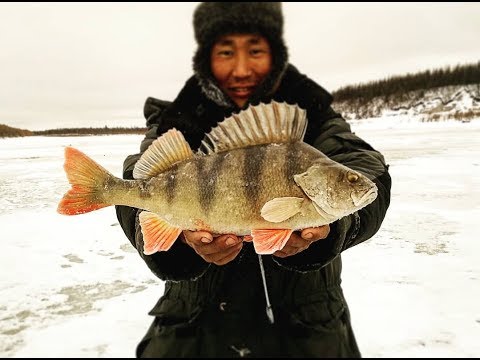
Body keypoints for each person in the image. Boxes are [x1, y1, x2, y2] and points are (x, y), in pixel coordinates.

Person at [116, 2, 391, 358]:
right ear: (206, 59)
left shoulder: (312, 115)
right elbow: (138, 185)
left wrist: (336, 229)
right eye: (226, 51)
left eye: (256, 50)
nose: (242, 68)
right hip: (196, 328)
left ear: (275, 54)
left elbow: (369, 170)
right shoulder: (180, 119)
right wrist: (180, 244)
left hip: (306, 329)